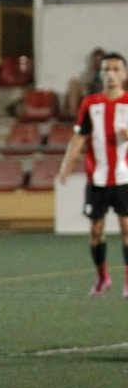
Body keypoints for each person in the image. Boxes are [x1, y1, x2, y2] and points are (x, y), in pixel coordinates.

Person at [58, 52, 128, 297]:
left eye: (116, 69)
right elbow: (80, 136)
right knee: (95, 231)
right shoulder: (90, 103)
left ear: (125, 74)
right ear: (101, 74)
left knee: (126, 227)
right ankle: (102, 278)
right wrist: (66, 164)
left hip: (123, 177)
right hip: (96, 178)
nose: (111, 74)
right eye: (107, 69)